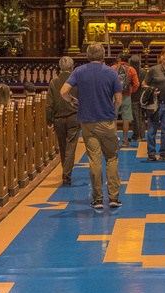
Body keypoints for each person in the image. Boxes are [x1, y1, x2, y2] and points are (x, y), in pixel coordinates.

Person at [61, 42, 123, 211]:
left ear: (87, 56)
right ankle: (114, 197)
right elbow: (118, 99)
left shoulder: (79, 71)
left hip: (88, 122)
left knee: (94, 159)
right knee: (111, 158)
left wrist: (73, 101)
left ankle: (97, 199)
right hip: (107, 121)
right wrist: (113, 109)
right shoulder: (111, 72)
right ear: (103, 55)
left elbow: (63, 91)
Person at [47, 56, 81, 187]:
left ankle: (65, 171)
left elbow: (49, 103)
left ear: (60, 67)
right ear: (72, 67)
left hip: (58, 118)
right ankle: (66, 174)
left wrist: (49, 119)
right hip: (73, 117)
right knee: (71, 147)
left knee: (62, 146)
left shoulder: (54, 82)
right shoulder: (76, 80)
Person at [112, 52, 139, 147]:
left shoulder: (113, 68)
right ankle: (124, 140)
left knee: (113, 118)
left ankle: (113, 140)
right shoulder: (131, 69)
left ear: (119, 60)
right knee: (126, 119)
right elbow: (136, 84)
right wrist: (131, 91)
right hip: (127, 95)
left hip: (115, 95)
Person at [129, 54, 146, 143]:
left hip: (133, 97)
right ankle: (142, 135)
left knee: (135, 117)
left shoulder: (130, 71)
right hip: (142, 97)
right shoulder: (143, 72)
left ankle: (136, 135)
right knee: (141, 117)